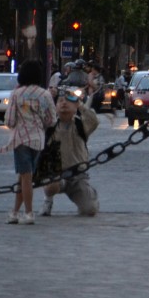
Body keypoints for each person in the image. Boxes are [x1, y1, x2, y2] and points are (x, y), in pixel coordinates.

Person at [0, 59, 57, 225]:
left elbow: (9, 120)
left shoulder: (16, 94)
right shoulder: (45, 94)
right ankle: (15, 212)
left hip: (21, 139)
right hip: (38, 139)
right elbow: (52, 120)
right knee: (25, 177)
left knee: (25, 177)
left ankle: (29, 213)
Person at [40, 89, 99, 217]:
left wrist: (81, 105)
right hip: (56, 175)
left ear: (75, 106)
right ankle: (48, 199)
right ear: (55, 107)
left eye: (68, 101)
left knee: (89, 210)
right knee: (51, 185)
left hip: (77, 176)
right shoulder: (50, 126)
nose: (64, 103)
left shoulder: (80, 124)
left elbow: (94, 121)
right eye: (60, 101)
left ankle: (89, 194)